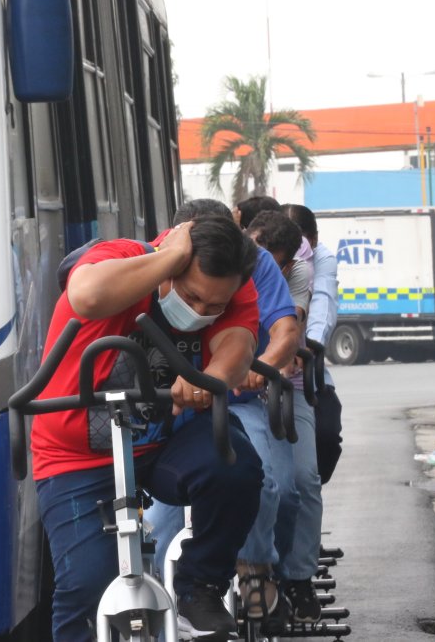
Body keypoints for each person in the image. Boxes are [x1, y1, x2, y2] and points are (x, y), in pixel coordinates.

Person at [33, 216, 263, 641]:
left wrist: (208, 375)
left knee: (234, 467)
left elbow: (239, 345)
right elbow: (86, 295)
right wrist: (171, 254)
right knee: (88, 585)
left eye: (213, 306)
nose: (199, 312)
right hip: (74, 454)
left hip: (165, 441)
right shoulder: (124, 259)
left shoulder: (230, 281)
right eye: (191, 296)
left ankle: (199, 589)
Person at [146, 200, 301, 634]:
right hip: (174, 409)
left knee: (272, 485)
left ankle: (257, 571)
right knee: (161, 520)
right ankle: (170, 598)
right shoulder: (147, 265)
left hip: (237, 399)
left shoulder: (256, 268)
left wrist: (252, 367)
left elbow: (283, 331)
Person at [246, 209, 324, 623]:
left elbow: (289, 332)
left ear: (289, 265)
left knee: (298, 483)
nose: (255, 265)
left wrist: (269, 366)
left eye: (266, 261)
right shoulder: (228, 261)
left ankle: (295, 575)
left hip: (280, 389)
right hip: (232, 391)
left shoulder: (295, 277)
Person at [283, 203, 344, 486]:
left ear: (313, 242)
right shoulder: (262, 259)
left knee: (326, 439)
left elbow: (323, 302)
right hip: (259, 377)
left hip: (306, 369)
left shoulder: (321, 260)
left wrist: (308, 346)